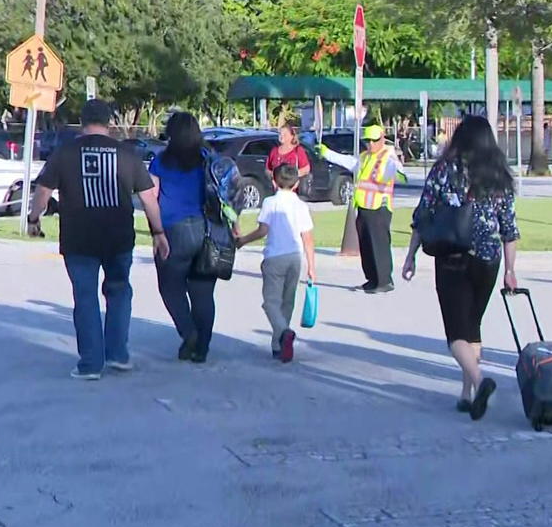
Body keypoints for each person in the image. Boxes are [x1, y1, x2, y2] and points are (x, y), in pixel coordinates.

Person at [27, 99, 169, 380]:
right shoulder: (127, 155)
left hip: (78, 238)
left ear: (82, 122)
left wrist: (34, 219)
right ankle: (117, 354)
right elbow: (149, 198)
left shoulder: (64, 153)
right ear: (109, 122)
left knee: (85, 297)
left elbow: (42, 192)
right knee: (119, 292)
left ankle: (91, 363)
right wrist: (158, 233)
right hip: (118, 238)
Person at [402, 115, 520, 421]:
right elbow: (509, 227)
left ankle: (480, 382)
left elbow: (423, 213)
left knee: (456, 333)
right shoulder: (499, 176)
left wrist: (411, 255)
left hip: (453, 255)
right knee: (473, 325)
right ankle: (466, 395)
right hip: (489, 259)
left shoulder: (444, 170)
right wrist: (510, 269)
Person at [148, 112, 217, 363]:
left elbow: (151, 197)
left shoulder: (160, 161)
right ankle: (202, 348)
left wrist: (156, 232)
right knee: (203, 292)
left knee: (170, 286)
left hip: (172, 229)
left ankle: (189, 333)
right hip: (205, 228)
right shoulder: (207, 158)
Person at [236, 164, 317, 363]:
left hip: (274, 257)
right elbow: (308, 238)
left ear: (273, 181)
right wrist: (312, 266)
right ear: (297, 183)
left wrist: (243, 240)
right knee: (287, 302)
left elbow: (263, 231)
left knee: (271, 302)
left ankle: (283, 332)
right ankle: (278, 345)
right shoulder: (301, 206)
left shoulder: (270, 203)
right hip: (295, 256)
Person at [318, 124, 407, 293]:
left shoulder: (388, 156)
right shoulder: (365, 157)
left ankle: (384, 281)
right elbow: (349, 162)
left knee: (379, 245)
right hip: (364, 207)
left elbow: (397, 170)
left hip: (379, 208)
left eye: (374, 140)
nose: (371, 144)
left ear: (382, 139)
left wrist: (400, 174)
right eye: (368, 141)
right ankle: (372, 280)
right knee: (366, 246)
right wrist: (327, 153)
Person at [266, 121, 310, 191]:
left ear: (292, 136)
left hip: (293, 190)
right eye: (280, 134)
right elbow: (268, 169)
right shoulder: (274, 151)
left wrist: (289, 178)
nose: (282, 136)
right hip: (277, 190)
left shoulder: (298, 150)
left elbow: (306, 169)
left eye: (285, 134)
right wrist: (274, 178)